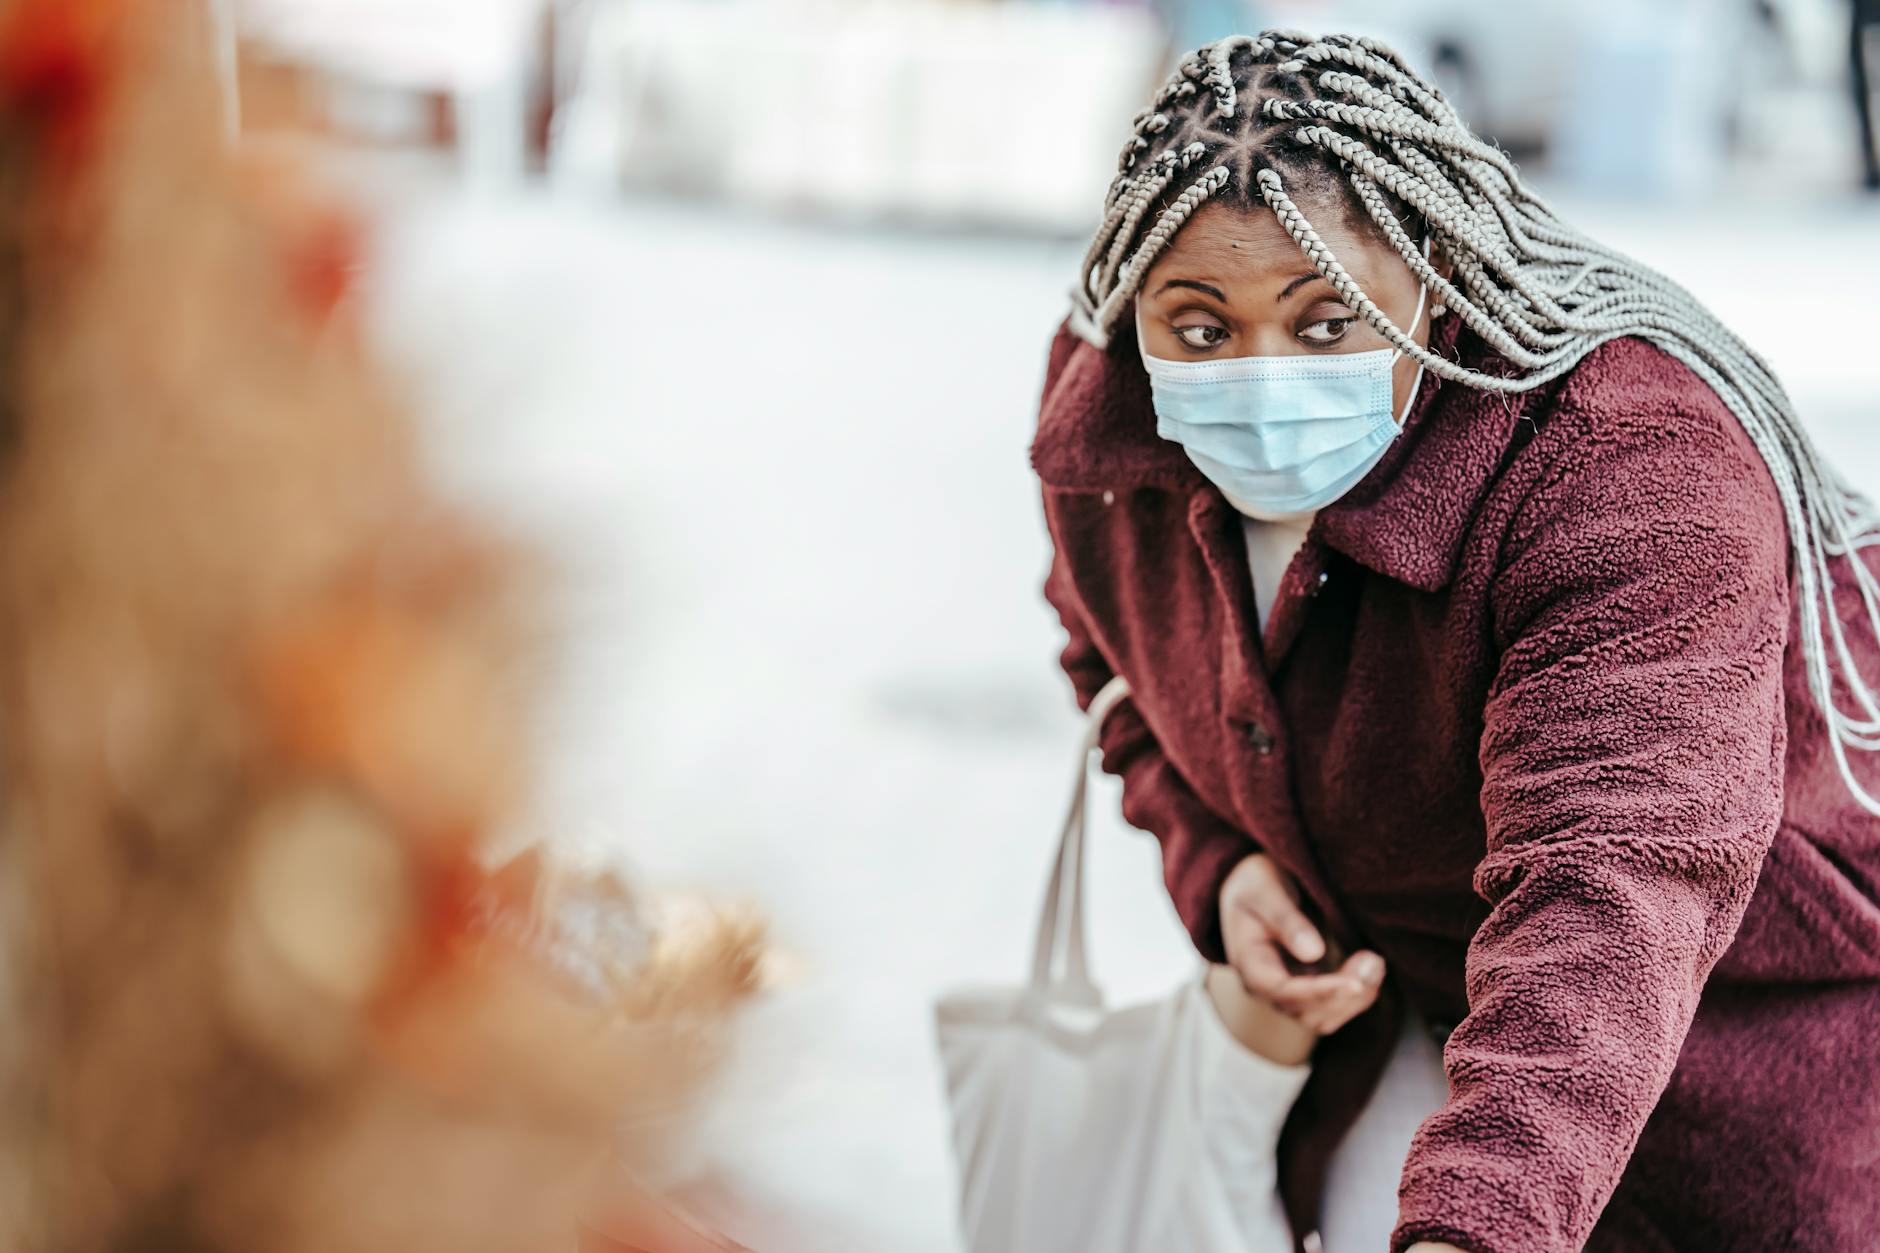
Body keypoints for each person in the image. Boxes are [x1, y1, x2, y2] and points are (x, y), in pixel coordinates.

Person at [1033, 30, 1880, 1253]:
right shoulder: (1109, 420)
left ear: (1428, 276)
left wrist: (1477, 1222)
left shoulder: (1630, 467)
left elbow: (1609, 889)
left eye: (1326, 321)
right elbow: (1101, 653)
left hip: (1723, 1072)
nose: (1260, 375)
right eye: (1202, 326)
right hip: (1394, 1037)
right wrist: (1213, 858)